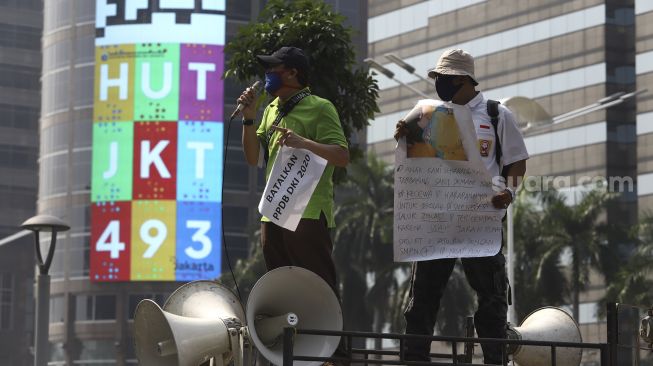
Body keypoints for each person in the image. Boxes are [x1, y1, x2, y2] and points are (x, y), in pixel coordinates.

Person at [394, 49, 529, 364]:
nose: (438, 84)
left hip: (480, 222)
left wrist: (507, 193)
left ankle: (494, 359)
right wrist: (403, 136)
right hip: (436, 223)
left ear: (460, 79)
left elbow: (517, 164)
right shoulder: (428, 113)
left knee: (493, 298)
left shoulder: (497, 115)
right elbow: (413, 162)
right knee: (422, 297)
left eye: (441, 79)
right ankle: (415, 359)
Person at [237, 46, 349, 365]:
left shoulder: (320, 108)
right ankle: (294, 353)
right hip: (273, 212)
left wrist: (304, 143)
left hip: (309, 212)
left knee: (318, 284)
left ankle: (335, 357)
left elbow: (341, 156)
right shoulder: (271, 109)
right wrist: (249, 118)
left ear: (293, 73)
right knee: (280, 284)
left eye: (275, 68)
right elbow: (254, 157)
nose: (268, 74)